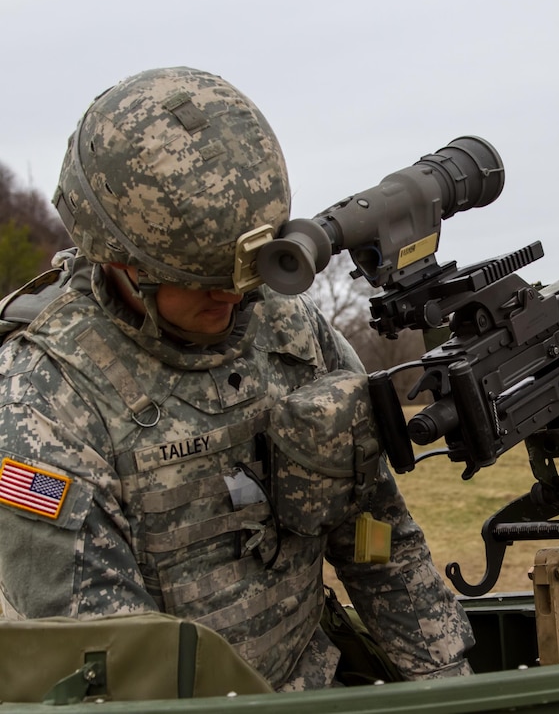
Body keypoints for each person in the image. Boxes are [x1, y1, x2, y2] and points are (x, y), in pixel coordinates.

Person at [0, 67, 473, 689]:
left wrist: (451, 685)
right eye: (202, 281)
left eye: (246, 275)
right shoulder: (43, 397)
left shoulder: (291, 332)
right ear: (119, 260)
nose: (234, 298)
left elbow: (375, 539)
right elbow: (107, 665)